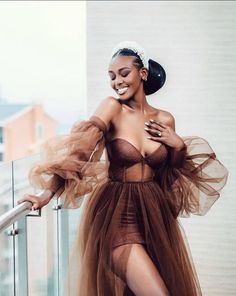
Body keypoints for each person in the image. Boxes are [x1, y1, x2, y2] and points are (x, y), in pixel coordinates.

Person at [18, 41, 229, 296]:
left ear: (143, 73)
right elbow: (80, 154)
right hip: (117, 215)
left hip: (154, 216)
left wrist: (178, 147)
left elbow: (170, 175)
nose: (116, 81)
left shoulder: (165, 119)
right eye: (111, 76)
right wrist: (46, 195)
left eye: (123, 73)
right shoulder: (111, 107)